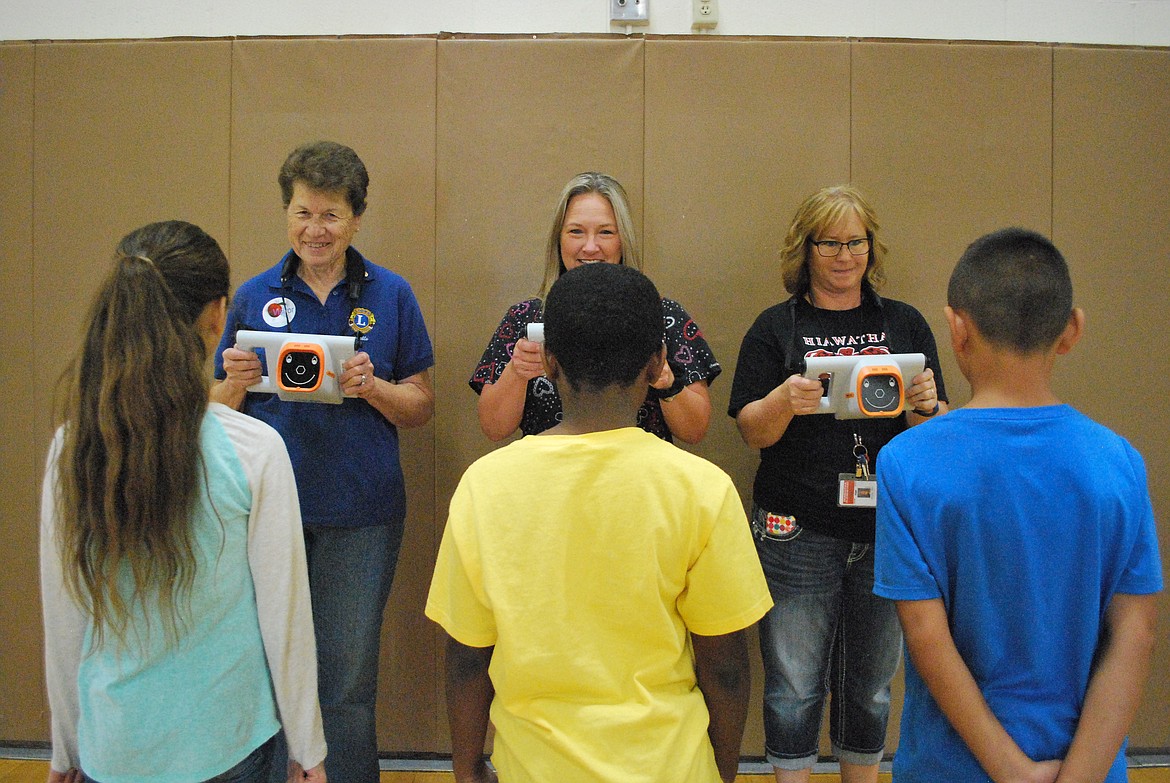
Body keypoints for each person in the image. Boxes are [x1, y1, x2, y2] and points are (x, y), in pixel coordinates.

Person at [428, 263, 773, 783]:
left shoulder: (485, 485)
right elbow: (725, 669)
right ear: (658, 360)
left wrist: (467, 769)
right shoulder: (703, 489)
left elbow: (467, 661)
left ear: (547, 361)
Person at [41, 220, 326, 783]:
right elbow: (285, 616)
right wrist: (308, 750)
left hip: (113, 745)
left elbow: (64, 612)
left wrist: (65, 749)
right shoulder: (254, 449)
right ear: (218, 315)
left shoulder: (72, 447)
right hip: (231, 743)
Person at [874, 227, 1163, 783]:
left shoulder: (907, 462)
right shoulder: (1119, 462)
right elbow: (1136, 635)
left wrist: (1012, 772)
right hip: (1090, 767)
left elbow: (927, 636)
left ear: (957, 329)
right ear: (1072, 329)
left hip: (951, 770)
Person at [212, 141, 435, 783]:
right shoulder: (252, 296)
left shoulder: (391, 295)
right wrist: (233, 381)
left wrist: (375, 387)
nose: (315, 229)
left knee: (346, 680)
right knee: (266, 671)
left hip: (361, 515)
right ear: (287, 213)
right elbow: (213, 412)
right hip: (259, 513)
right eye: (303, 212)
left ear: (356, 219)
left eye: (331, 215)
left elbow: (420, 406)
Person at [727, 185, 948, 783]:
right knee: (795, 685)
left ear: (871, 248)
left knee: (873, 686)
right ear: (806, 248)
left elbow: (938, 437)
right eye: (831, 243)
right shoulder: (775, 328)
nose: (845, 255)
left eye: (856, 242)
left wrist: (926, 405)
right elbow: (751, 432)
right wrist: (783, 400)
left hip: (888, 530)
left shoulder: (903, 322)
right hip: (797, 530)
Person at [469, 171, 720, 444]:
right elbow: (493, 428)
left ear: (623, 239)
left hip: (640, 480)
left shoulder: (662, 317)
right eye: (576, 231)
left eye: (606, 232)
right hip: (549, 479)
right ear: (559, 239)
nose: (590, 247)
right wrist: (517, 372)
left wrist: (667, 383)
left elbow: (695, 432)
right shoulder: (524, 318)